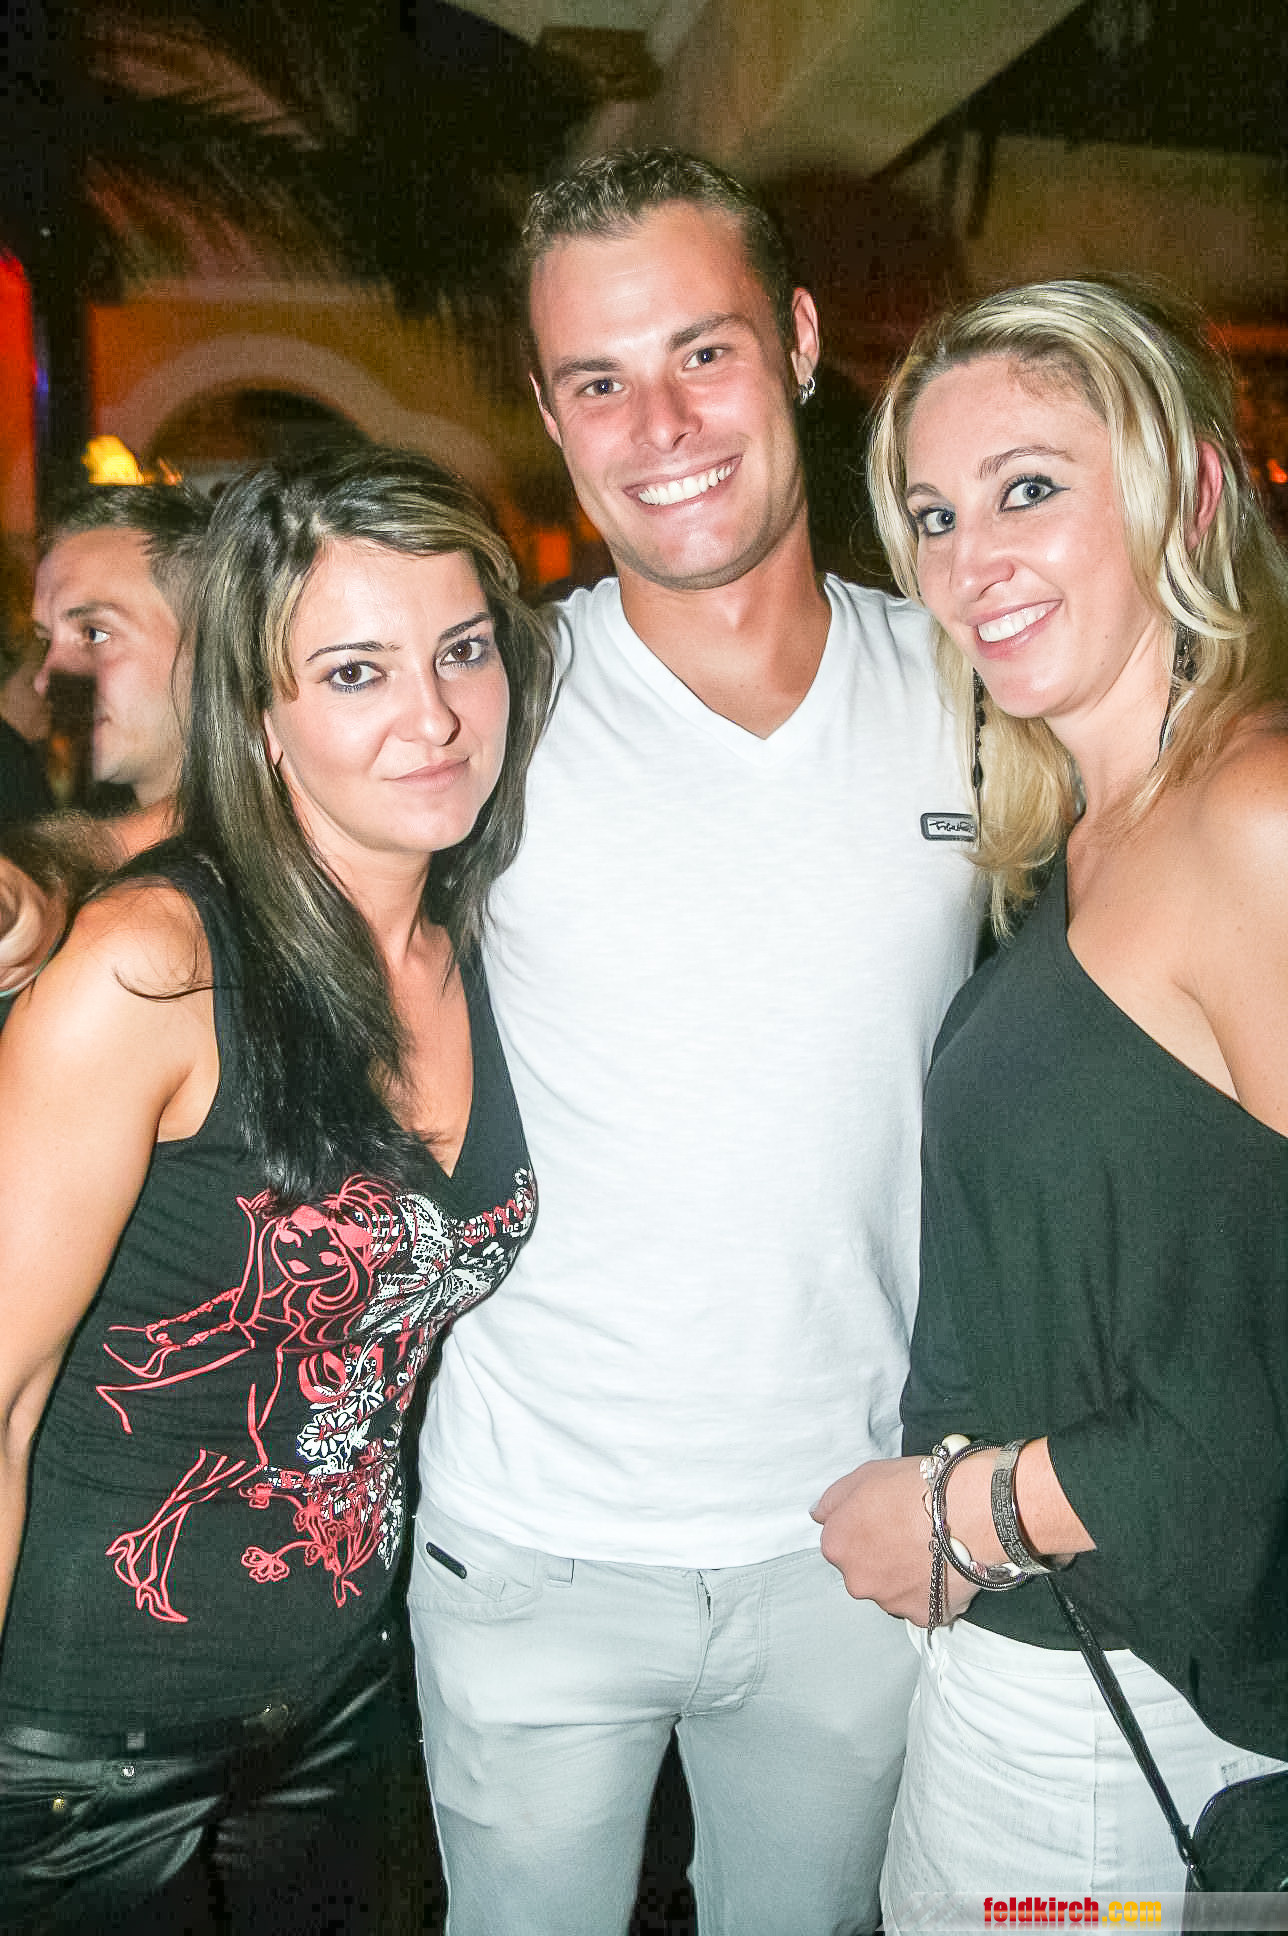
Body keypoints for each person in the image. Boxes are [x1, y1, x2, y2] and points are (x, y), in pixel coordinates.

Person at [408, 148, 982, 1936]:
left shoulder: (973, 688)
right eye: (597, 380)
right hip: (530, 1550)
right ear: (548, 413)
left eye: (703, 353)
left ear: (799, 343)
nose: (657, 425)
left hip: (855, 1540)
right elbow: (263, 883)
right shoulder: (485, 706)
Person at [0, 446, 551, 1932]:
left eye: (462, 651)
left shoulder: (486, 940)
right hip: (79, 1755)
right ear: (257, 711)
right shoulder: (155, 970)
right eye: (356, 673)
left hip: (346, 1698)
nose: (435, 717)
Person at [813, 278, 1288, 1920]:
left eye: (1029, 490)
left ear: (1191, 491)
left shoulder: (1254, 813)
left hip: (1131, 1700)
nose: (969, 566)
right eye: (937, 517)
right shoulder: (1084, 835)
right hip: (1045, 1657)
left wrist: (975, 1511)